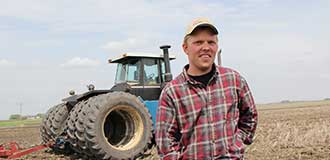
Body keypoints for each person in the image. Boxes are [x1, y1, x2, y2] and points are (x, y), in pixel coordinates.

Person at [155, 18, 258, 159]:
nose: (206, 47)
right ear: (185, 48)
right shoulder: (172, 92)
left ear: (217, 46)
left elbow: (250, 117)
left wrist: (237, 142)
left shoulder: (234, 80)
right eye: (198, 42)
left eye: (211, 42)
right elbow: (165, 144)